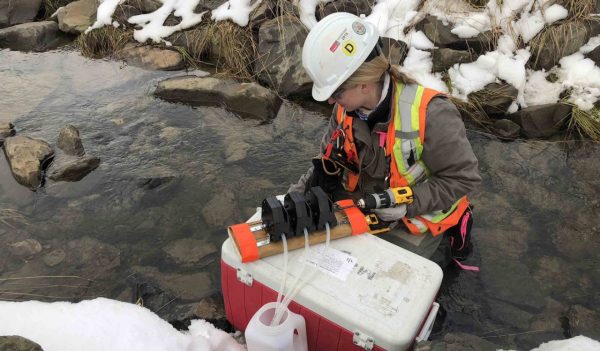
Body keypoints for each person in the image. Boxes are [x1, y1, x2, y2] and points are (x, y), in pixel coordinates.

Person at [287, 12, 481, 268]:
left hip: (414, 216)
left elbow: (462, 178)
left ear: (364, 84)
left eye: (336, 93)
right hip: (363, 204)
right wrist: (293, 200)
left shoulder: (432, 114)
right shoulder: (345, 109)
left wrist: (407, 206)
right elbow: (325, 162)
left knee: (382, 275)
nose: (331, 101)